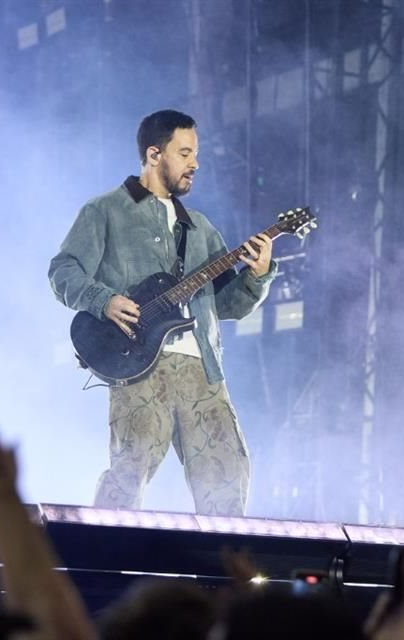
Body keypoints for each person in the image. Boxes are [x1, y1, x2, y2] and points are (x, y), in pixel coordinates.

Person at [49, 109, 276, 516]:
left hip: (203, 372)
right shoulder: (106, 211)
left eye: (196, 154)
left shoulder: (201, 228)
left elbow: (229, 305)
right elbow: (62, 271)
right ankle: (100, 559)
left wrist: (258, 276)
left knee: (228, 475)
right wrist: (103, 299)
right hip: (139, 366)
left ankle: (226, 576)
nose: (195, 164)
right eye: (185, 153)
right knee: (129, 473)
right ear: (155, 155)